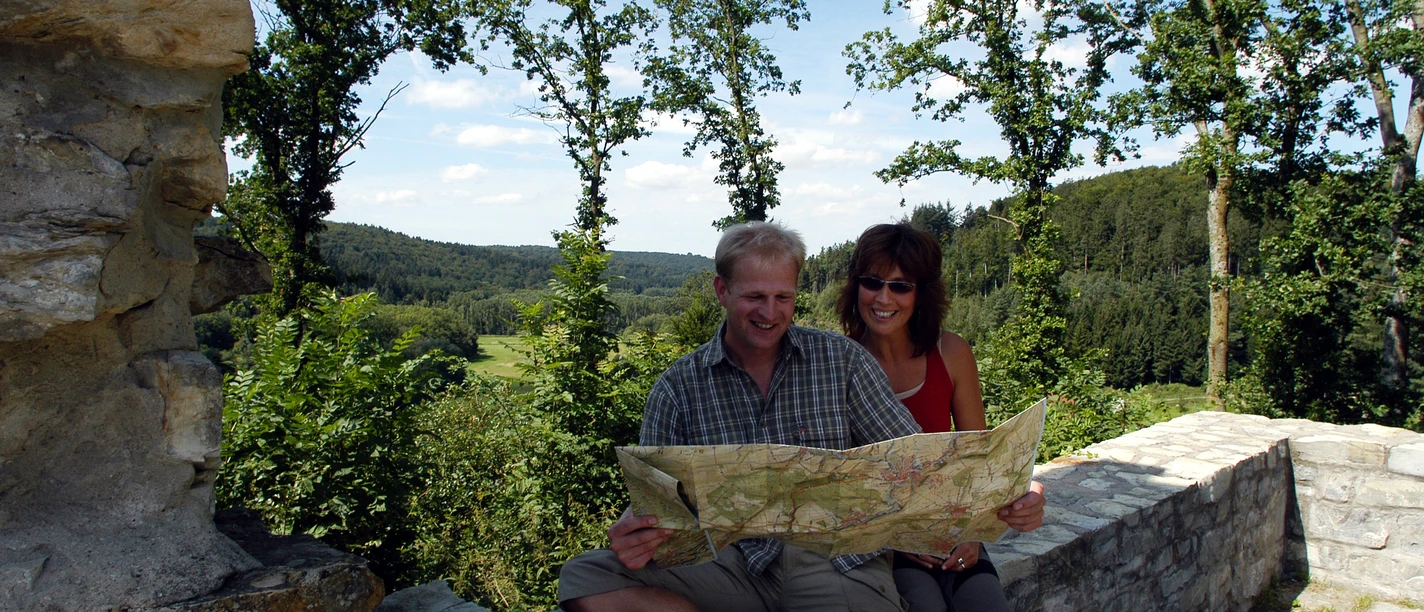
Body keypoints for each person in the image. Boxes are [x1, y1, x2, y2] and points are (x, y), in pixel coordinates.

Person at [558, 221, 923, 612]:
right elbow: (655, 499)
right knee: (583, 579)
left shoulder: (842, 361)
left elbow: (917, 458)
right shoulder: (678, 388)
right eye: (755, 296)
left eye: (783, 297)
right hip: (730, 564)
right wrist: (635, 529)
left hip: (832, 562)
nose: (770, 312)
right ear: (722, 291)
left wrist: (967, 517)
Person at [837, 223, 1046, 612]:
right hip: (884, 541)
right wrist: (896, 535)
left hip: (953, 532)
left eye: (901, 286)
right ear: (856, 287)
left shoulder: (950, 354)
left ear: (922, 294)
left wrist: (1004, 512)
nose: (884, 298)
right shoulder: (838, 363)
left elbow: (980, 459)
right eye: (873, 282)